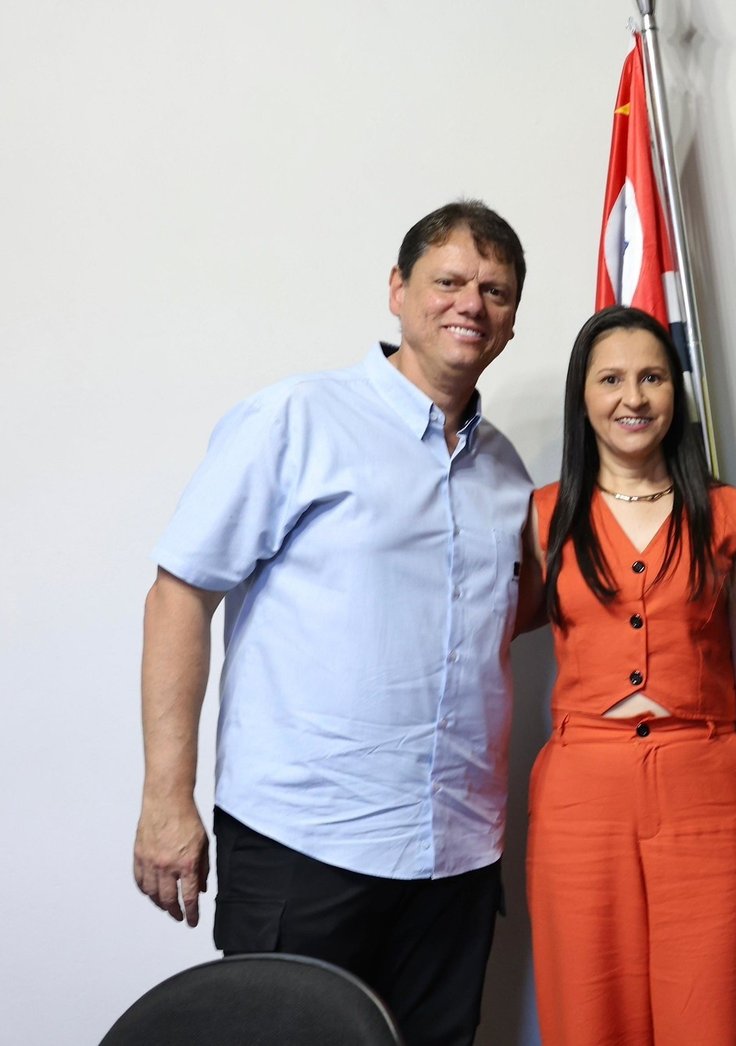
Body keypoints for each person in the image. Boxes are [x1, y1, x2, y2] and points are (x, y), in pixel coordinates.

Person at [134, 200, 534, 1046]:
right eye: (449, 281)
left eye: (495, 291)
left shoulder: (507, 472)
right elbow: (179, 594)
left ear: (510, 321)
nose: (470, 303)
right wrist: (167, 798)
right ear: (397, 289)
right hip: (303, 840)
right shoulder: (296, 418)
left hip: (456, 858)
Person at [525, 305, 736, 1045]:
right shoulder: (543, 519)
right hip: (581, 801)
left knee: (716, 1015)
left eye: (652, 378)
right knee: (591, 1016)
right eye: (611, 379)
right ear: (583, 396)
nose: (633, 398)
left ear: (676, 391)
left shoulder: (728, 515)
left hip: (708, 794)